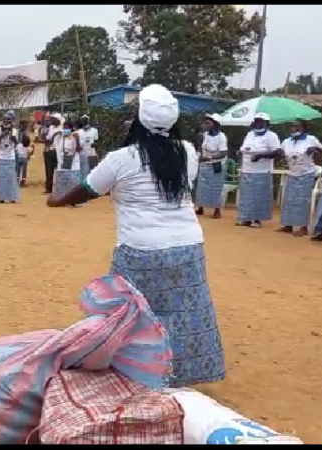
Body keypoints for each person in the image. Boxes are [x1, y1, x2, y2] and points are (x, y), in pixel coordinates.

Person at [46, 84, 225, 388]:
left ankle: (134, 373)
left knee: (129, 313)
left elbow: (86, 191)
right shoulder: (187, 152)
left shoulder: (122, 158)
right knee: (183, 311)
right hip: (188, 246)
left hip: (140, 250)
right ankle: (178, 377)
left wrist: (57, 200)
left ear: (140, 119)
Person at [236, 113, 281, 228]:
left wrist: (261, 155)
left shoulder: (271, 136)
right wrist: (240, 152)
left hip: (261, 171)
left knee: (258, 196)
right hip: (247, 169)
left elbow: (277, 152)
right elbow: (244, 148)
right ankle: (246, 218)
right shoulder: (250, 134)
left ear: (266, 123)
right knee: (247, 196)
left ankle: (256, 220)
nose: (258, 123)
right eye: (256, 120)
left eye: (260, 121)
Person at [278, 119, 321, 236]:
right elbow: (280, 153)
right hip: (292, 173)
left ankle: (303, 227)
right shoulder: (287, 141)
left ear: (304, 128)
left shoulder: (311, 139)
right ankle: (288, 225)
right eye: (292, 126)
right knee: (289, 200)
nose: (294, 129)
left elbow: (321, 150)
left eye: (297, 126)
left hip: (306, 173)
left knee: (302, 200)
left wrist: (315, 150)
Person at [193, 114, 228, 219]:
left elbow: (223, 153)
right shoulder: (204, 135)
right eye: (205, 122)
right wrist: (200, 155)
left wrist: (209, 157)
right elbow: (200, 147)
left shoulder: (221, 137)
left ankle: (217, 210)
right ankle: (200, 207)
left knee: (215, 187)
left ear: (215, 124)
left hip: (216, 164)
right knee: (202, 187)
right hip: (204, 163)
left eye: (208, 123)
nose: (205, 125)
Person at [0, 113, 20, 203]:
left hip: (10, 157)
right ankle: (0, 198)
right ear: (3, 120)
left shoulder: (14, 131)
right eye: (5, 119)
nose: (7, 121)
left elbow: (16, 144)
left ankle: (12, 197)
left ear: (12, 121)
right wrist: (1, 136)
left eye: (9, 119)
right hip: (0, 156)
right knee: (0, 178)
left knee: (11, 178)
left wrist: (12, 137)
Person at [53, 119, 82, 197]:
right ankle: (62, 197)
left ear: (71, 128)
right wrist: (55, 134)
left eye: (67, 128)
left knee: (73, 182)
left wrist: (77, 139)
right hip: (62, 162)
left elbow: (78, 149)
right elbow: (53, 143)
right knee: (63, 181)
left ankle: (73, 199)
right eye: (64, 128)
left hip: (73, 163)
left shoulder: (74, 136)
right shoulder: (60, 137)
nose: (65, 130)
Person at [41, 114, 62, 194]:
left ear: (58, 120)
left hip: (58, 151)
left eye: (53, 119)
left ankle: (59, 188)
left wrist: (50, 140)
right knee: (49, 170)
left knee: (59, 170)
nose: (51, 121)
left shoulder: (62, 129)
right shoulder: (51, 128)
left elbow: (51, 140)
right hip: (50, 151)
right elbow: (48, 139)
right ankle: (48, 188)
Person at [15, 120, 32, 186]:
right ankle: (19, 180)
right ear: (20, 125)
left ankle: (22, 180)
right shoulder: (17, 132)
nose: (24, 127)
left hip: (22, 148)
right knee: (19, 168)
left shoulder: (25, 133)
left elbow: (28, 142)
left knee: (19, 168)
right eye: (23, 125)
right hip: (19, 148)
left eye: (25, 126)